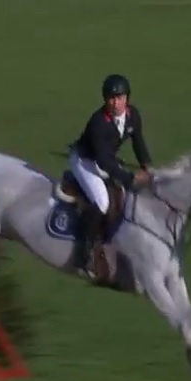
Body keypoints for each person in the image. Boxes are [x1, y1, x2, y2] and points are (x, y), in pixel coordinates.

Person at [68, 73, 153, 276]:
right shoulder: (98, 122)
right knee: (102, 201)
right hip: (86, 161)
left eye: (121, 97)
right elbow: (104, 162)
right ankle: (82, 253)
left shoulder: (133, 116)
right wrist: (131, 178)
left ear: (127, 98)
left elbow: (138, 142)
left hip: (104, 158)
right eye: (112, 99)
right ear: (105, 100)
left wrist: (148, 167)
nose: (117, 103)